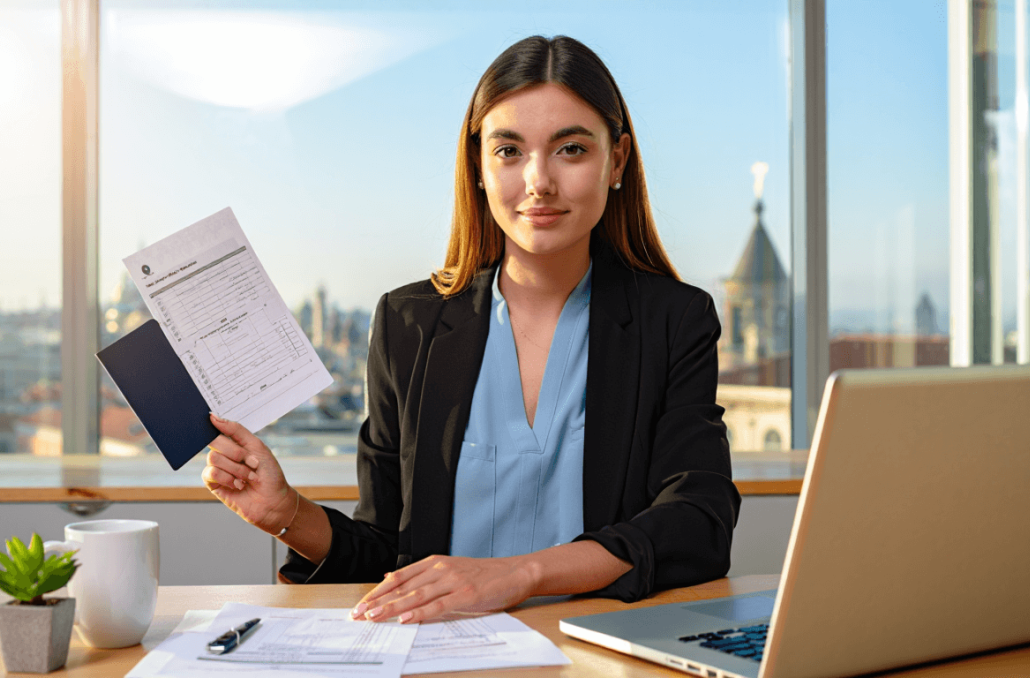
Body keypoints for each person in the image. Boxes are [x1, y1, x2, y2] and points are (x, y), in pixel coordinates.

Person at [203, 34, 740, 624]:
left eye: (571, 149)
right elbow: (387, 551)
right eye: (509, 151)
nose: (538, 182)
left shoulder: (674, 320)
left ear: (616, 162)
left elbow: (698, 520)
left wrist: (521, 573)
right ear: (478, 168)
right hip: (441, 654)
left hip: (599, 651)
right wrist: (285, 511)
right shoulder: (409, 324)